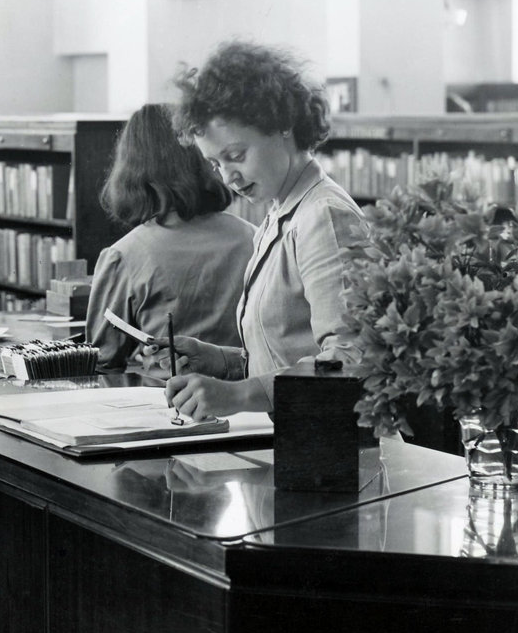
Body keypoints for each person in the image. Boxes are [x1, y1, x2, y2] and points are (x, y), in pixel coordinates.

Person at [153, 40, 366, 420]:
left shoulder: (323, 216)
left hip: (340, 454)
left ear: (282, 125)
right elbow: (287, 355)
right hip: (297, 443)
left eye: (236, 155)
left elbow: (348, 360)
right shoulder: (278, 214)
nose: (228, 176)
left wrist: (238, 397)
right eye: (215, 163)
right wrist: (220, 361)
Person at [85, 103, 256, 373]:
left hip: (167, 403)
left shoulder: (125, 255)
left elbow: (102, 359)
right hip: (247, 400)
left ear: (131, 168)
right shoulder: (253, 236)